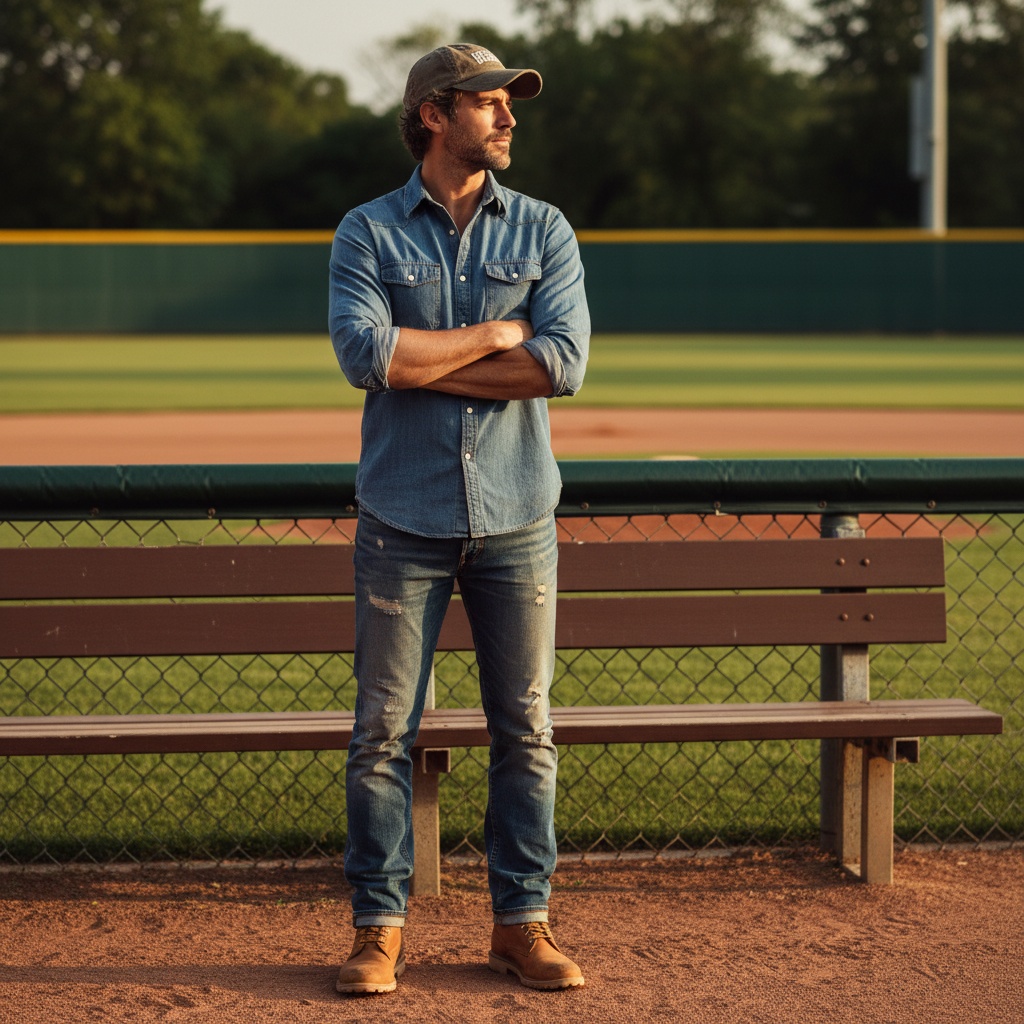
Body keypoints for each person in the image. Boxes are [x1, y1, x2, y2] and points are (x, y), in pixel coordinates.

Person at [328, 43, 590, 995]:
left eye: (510, 102)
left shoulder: (545, 227)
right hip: (403, 519)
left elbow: (561, 365)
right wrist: (491, 336)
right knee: (381, 735)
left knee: (527, 731)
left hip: (517, 516)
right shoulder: (367, 230)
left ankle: (521, 924)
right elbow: (366, 358)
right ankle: (379, 931)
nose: (509, 116)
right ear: (435, 115)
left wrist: (423, 361)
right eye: (489, 102)